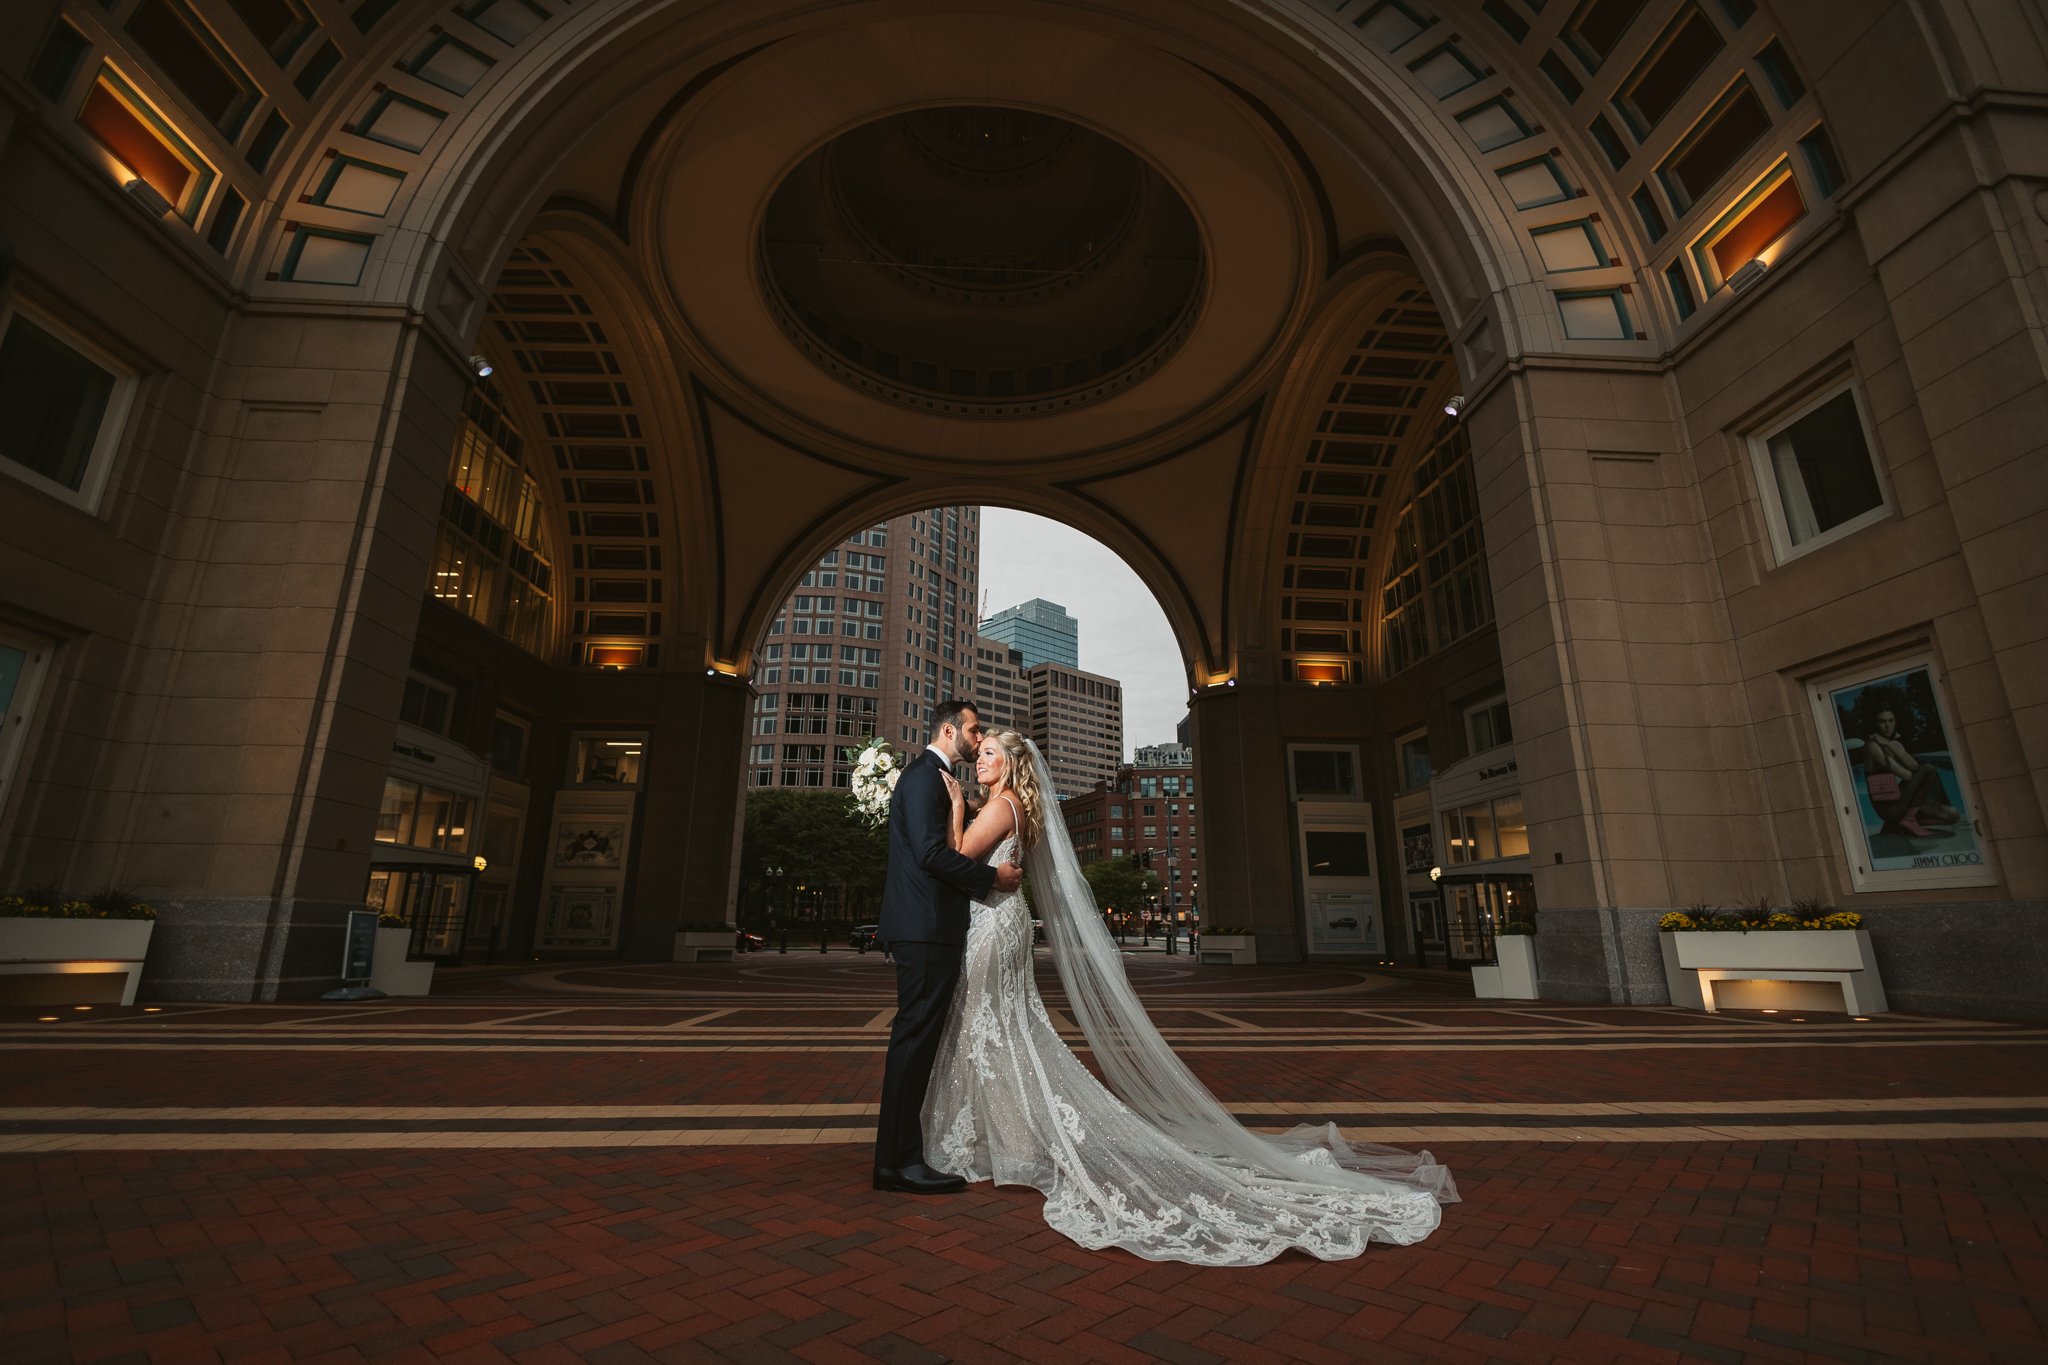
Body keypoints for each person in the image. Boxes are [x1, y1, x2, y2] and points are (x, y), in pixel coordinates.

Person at [921, 730, 1457, 1264]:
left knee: (985, 1025)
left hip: (992, 926)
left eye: (989, 754)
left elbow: (957, 855)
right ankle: (1009, 1140)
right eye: (980, 753)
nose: (979, 762)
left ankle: (1005, 1142)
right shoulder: (1014, 804)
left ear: (1013, 765)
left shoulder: (1000, 805)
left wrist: (952, 806)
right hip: (1000, 920)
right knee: (999, 1027)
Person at [872, 700, 1023, 1195]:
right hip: (924, 927)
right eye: (974, 731)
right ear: (948, 729)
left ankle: (898, 1158)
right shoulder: (923, 778)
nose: (978, 741)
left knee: (916, 1044)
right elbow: (933, 855)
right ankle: (898, 1164)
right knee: (913, 1044)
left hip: (929, 926)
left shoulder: (935, 779)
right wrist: (991, 878)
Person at [1863, 709, 1961, 836]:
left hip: (1902, 801)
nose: (1887, 726)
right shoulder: (1872, 747)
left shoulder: (1895, 744)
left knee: (1952, 814)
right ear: (1875, 724)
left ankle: (1900, 823)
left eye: (1891, 720)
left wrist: (1888, 743)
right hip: (1889, 808)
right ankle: (1907, 819)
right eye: (1882, 721)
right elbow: (1908, 775)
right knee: (1928, 769)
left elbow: (1914, 766)